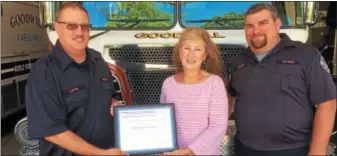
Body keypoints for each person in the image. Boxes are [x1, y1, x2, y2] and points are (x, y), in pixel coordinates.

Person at [227, 3, 337, 156]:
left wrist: (317, 152)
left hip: (292, 150)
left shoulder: (306, 55)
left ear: (277, 24)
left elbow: (327, 104)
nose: (255, 31)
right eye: (249, 26)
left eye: (262, 23)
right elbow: (229, 97)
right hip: (244, 148)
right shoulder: (238, 60)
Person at [25, 2, 127, 155]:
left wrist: (113, 104)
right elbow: (53, 131)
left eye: (85, 26)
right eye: (71, 26)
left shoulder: (98, 61)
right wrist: (100, 154)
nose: (80, 32)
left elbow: (107, 98)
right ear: (57, 27)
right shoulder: (44, 72)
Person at [160, 27, 228, 155]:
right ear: (179, 51)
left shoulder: (214, 83)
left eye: (197, 49)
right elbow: (164, 123)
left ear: (205, 55)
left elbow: (218, 127)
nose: (191, 55)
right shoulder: (168, 84)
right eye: (186, 48)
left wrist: (189, 151)